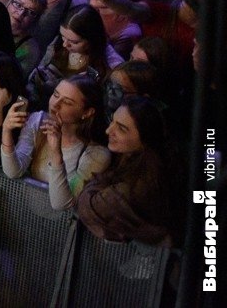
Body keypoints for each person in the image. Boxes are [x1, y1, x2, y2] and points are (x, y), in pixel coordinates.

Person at [1, 75, 110, 210]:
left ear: (87, 112)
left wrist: (55, 151)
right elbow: (13, 171)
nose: (55, 104)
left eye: (68, 102)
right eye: (55, 94)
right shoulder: (38, 121)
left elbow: (61, 204)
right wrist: (6, 131)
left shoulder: (96, 154)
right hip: (25, 211)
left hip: (61, 225)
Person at [74, 96, 172, 244]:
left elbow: (88, 206)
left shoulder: (136, 188)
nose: (108, 130)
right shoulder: (132, 161)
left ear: (145, 139)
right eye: (112, 121)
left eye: (121, 128)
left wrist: (95, 185)